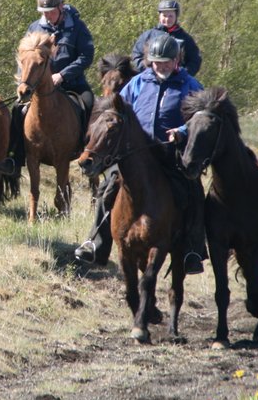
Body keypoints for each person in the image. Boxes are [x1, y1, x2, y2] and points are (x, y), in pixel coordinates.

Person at [74, 33, 207, 275]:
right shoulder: (138, 83)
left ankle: (193, 251)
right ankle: (96, 243)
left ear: (176, 60)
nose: (160, 67)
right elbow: (117, 108)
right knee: (107, 189)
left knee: (193, 192)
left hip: (170, 153)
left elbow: (201, 117)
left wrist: (181, 131)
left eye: (165, 62)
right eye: (156, 62)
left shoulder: (189, 84)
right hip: (136, 154)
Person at [0, 0, 96, 176]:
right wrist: (23, 82)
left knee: (90, 104)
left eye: (51, 11)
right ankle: (13, 156)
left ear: (61, 7)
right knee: (17, 110)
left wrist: (63, 75)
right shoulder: (34, 28)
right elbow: (24, 59)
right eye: (44, 12)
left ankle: (87, 154)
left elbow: (86, 56)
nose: (47, 15)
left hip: (72, 83)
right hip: (39, 87)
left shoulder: (77, 27)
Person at [131, 0, 202, 76]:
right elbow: (136, 56)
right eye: (164, 16)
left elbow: (195, 60)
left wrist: (182, 73)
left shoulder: (185, 38)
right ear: (159, 16)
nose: (167, 19)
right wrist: (149, 71)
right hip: (150, 78)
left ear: (176, 16)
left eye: (171, 16)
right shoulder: (148, 35)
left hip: (177, 80)